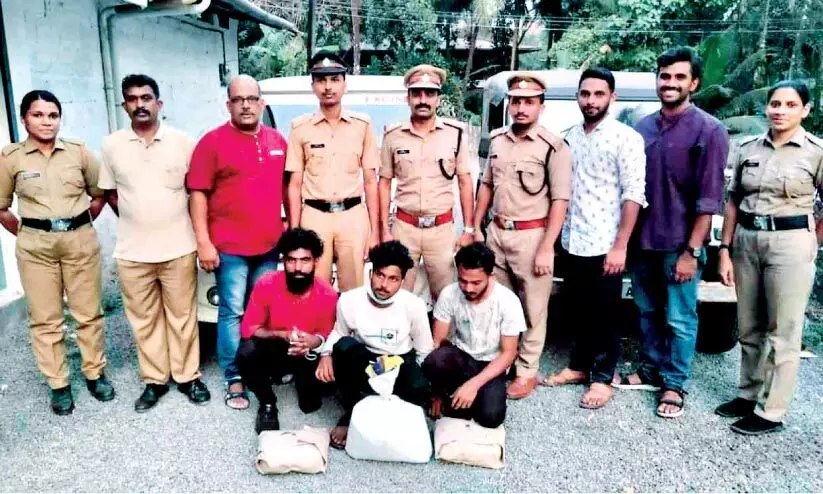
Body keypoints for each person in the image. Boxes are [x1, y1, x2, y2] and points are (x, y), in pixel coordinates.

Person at [622, 47, 728, 419]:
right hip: (643, 241)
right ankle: (651, 369)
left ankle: (673, 384)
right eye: (664, 76)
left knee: (680, 318)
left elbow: (709, 199)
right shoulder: (643, 128)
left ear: (694, 83)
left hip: (680, 245)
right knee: (647, 311)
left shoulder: (709, 130)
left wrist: (691, 251)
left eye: (679, 77)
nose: (670, 83)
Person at [715, 80, 823, 435]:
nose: (780, 111)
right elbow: (733, 201)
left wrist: (811, 242)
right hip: (747, 240)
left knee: (783, 331)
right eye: (775, 103)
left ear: (805, 110)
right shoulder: (748, 148)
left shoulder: (815, 151)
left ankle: (771, 411)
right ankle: (747, 394)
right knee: (749, 326)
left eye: (790, 105)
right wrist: (725, 249)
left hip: (791, 242)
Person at [99, 75, 210, 412]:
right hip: (133, 251)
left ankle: (188, 377)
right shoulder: (111, 146)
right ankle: (154, 380)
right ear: (125, 106)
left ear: (158, 103)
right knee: (144, 319)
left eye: (146, 98)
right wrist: (139, 219)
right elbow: (111, 194)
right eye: (132, 99)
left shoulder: (184, 142)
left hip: (178, 247)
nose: (140, 104)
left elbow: (196, 192)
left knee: (182, 316)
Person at [0, 90, 113, 415]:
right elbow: (2, 208)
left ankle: (95, 374)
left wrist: (79, 224)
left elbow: (99, 194)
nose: (47, 122)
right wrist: (30, 234)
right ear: (24, 119)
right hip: (36, 248)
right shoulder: (11, 158)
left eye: (53, 115)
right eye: (38, 115)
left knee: (88, 313)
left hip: (79, 240)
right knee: (45, 318)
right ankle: (59, 384)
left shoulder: (78, 152)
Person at [543, 68, 646, 409]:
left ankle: (602, 378)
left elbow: (633, 195)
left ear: (612, 97)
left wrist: (620, 246)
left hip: (606, 243)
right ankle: (578, 366)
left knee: (605, 312)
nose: (591, 100)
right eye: (585, 94)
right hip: (572, 240)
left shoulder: (625, 138)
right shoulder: (569, 138)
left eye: (599, 94)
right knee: (578, 308)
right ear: (578, 96)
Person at [186, 75, 289, 410]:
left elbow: (287, 188)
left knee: (264, 312)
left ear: (261, 103)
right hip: (229, 248)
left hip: (269, 245)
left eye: (252, 98)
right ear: (228, 104)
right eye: (238, 99)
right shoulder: (211, 143)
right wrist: (204, 242)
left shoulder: (277, 141)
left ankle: (262, 367)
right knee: (232, 311)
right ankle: (234, 377)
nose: (246, 105)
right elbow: (197, 194)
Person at [471, 73, 572, 400]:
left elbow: (560, 200)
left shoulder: (553, 147)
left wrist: (546, 248)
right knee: (498, 304)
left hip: (532, 236)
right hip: (497, 233)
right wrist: (475, 226)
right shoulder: (498, 141)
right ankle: (500, 362)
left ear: (541, 106)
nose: (521, 108)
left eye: (529, 102)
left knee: (533, 308)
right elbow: (486, 185)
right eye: (516, 101)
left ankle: (526, 371)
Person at [315, 240, 433, 449]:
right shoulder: (349, 300)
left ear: (402, 280)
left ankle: (389, 408)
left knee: (419, 388)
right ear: (371, 273)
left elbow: (424, 350)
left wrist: (425, 386)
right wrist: (325, 355)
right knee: (343, 347)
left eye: (393, 279)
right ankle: (352, 412)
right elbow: (340, 333)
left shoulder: (413, 305)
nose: (384, 285)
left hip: (398, 361)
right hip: (366, 360)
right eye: (380, 275)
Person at [379, 64, 474, 302]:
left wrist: (469, 229)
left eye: (429, 94)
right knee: (398, 297)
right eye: (417, 94)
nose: (423, 100)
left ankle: (440, 330)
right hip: (404, 228)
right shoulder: (393, 136)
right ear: (408, 98)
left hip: (441, 230)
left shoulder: (455, 134)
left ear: (438, 99)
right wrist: (384, 230)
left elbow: (465, 181)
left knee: (445, 297)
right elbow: (384, 183)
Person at [286, 51, 380, 291]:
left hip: (353, 216)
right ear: (313, 86)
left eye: (335, 79)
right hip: (314, 216)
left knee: (354, 288)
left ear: (345, 84)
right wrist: (295, 231)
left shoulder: (362, 125)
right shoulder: (300, 128)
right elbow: (294, 184)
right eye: (321, 80)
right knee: (316, 288)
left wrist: (374, 232)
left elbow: (371, 181)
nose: (328, 87)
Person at [236, 228, 338, 433]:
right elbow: (250, 329)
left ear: (316, 261)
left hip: (309, 354)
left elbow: (329, 334)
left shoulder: (327, 293)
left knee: (312, 403)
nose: (298, 268)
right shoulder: (266, 283)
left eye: (305, 260)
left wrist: (313, 342)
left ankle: (299, 378)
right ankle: (267, 403)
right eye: (291, 260)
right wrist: (281, 334)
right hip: (278, 348)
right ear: (283, 260)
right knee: (246, 353)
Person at [423, 243, 525, 428]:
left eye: (476, 283)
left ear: (490, 276)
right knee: (434, 361)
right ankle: (453, 395)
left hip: (491, 363)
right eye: (463, 281)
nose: (468, 288)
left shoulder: (508, 301)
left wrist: (473, 385)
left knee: (491, 417)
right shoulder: (449, 294)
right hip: (462, 356)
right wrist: (435, 392)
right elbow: (437, 342)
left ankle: (469, 395)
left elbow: (509, 354)